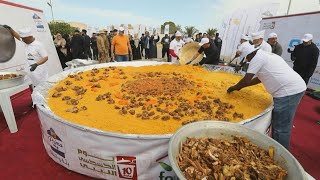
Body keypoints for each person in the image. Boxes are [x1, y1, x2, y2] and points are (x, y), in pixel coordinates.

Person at [227, 46, 306, 149]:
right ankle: (277, 147)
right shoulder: (268, 55)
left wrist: (233, 88)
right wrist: (241, 87)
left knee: (281, 127)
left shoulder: (257, 59)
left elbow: (246, 80)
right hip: (296, 87)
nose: (248, 61)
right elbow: (259, 79)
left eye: (247, 58)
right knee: (281, 123)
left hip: (288, 92)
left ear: (251, 54)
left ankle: (281, 152)